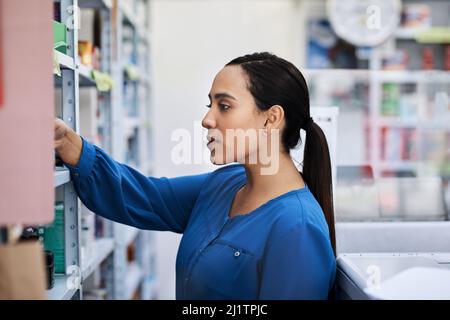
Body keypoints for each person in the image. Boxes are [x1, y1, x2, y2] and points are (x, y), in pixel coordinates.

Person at [54, 52, 336, 299]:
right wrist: (68, 143)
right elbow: (145, 197)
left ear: (271, 118)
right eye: (209, 105)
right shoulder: (225, 184)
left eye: (224, 106)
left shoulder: (298, 228)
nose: (207, 120)